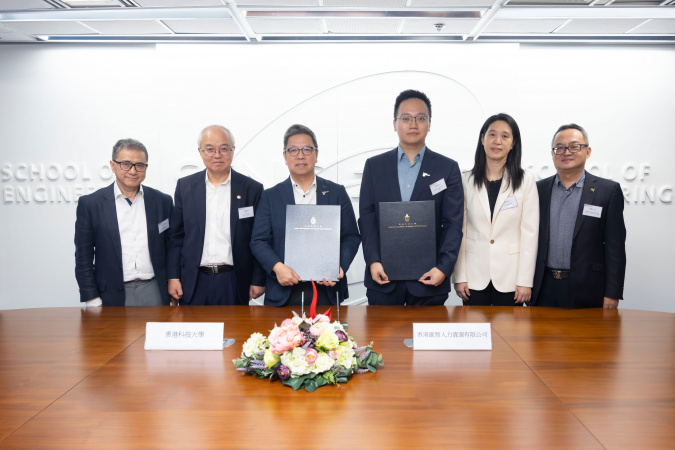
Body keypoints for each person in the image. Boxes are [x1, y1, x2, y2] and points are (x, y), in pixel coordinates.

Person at [358, 89, 464, 305]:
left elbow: (453, 224)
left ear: (430, 123)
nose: (413, 124)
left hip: (429, 280)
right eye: (406, 118)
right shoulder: (374, 166)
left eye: (420, 118)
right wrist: (373, 261)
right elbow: (367, 218)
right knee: (381, 340)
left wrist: (443, 268)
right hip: (383, 277)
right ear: (395, 123)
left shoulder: (448, 168)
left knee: (429, 339)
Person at [250, 124, 361, 306]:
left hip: (326, 288)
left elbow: (351, 236)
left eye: (306, 149)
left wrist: (337, 266)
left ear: (316, 155)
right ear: (284, 157)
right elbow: (258, 241)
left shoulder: (336, 192)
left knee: (329, 335)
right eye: (293, 150)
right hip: (283, 290)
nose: (300, 155)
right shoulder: (270, 196)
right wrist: (277, 268)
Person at [167, 125, 265, 305]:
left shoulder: (252, 189)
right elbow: (176, 236)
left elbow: (259, 238)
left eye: (224, 149)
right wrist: (173, 276)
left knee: (233, 332)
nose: (217, 155)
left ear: (233, 150)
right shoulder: (185, 186)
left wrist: (258, 279)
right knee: (194, 331)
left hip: (234, 280)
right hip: (194, 280)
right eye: (210, 149)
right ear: (200, 151)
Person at [531, 123, 626, 309]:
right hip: (543, 287)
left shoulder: (607, 191)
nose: (566, 152)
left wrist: (612, 294)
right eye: (559, 147)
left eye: (574, 146)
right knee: (541, 338)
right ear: (552, 153)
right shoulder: (537, 190)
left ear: (588, 151)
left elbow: (615, 248)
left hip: (588, 289)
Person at [75, 138, 173, 306]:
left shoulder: (162, 201)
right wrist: (91, 298)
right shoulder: (91, 204)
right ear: (113, 165)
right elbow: (83, 257)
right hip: (111, 294)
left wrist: (173, 282)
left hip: (155, 289)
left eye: (139, 165)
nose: (133, 171)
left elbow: (171, 247)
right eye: (125, 164)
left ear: (146, 168)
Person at [453, 113, 539, 306]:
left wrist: (525, 281)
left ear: (513, 143)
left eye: (505, 136)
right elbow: (459, 230)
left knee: (509, 335)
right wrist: (459, 276)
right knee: (474, 332)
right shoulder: (465, 180)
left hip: (511, 277)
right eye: (492, 134)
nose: (497, 141)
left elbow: (530, 234)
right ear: (482, 139)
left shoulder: (525, 180)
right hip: (474, 276)